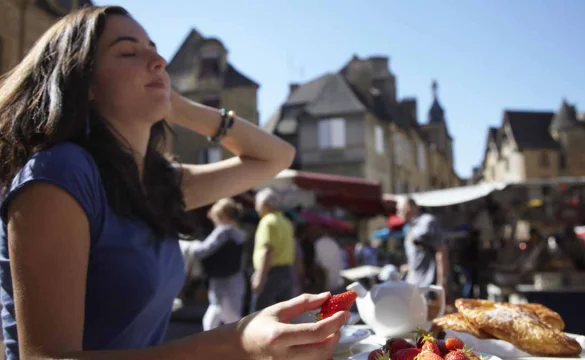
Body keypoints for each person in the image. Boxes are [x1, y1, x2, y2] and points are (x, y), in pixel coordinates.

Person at [0, 6, 347, 360]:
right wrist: (237, 341)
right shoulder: (58, 173)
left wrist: (177, 105)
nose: (158, 59)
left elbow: (276, 156)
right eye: (128, 51)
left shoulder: (158, 180)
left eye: (154, 48)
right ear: (83, 82)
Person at [193, 198, 247, 331]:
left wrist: (190, 246)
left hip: (221, 281)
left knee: (221, 318)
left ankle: (235, 347)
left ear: (222, 216)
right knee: (227, 318)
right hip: (236, 279)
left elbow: (201, 251)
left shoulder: (223, 231)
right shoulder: (241, 233)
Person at [251, 188, 295, 311]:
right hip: (286, 273)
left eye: (257, 204)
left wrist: (260, 276)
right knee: (284, 315)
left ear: (265, 204)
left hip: (271, 273)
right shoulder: (286, 222)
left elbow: (268, 250)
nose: (256, 208)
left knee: (258, 315)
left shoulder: (267, 221)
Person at [396, 197, 448, 289]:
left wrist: (442, 281)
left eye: (400, 210)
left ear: (409, 207)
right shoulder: (409, 227)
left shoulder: (427, 222)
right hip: (413, 283)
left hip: (428, 283)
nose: (398, 213)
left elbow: (441, 251)